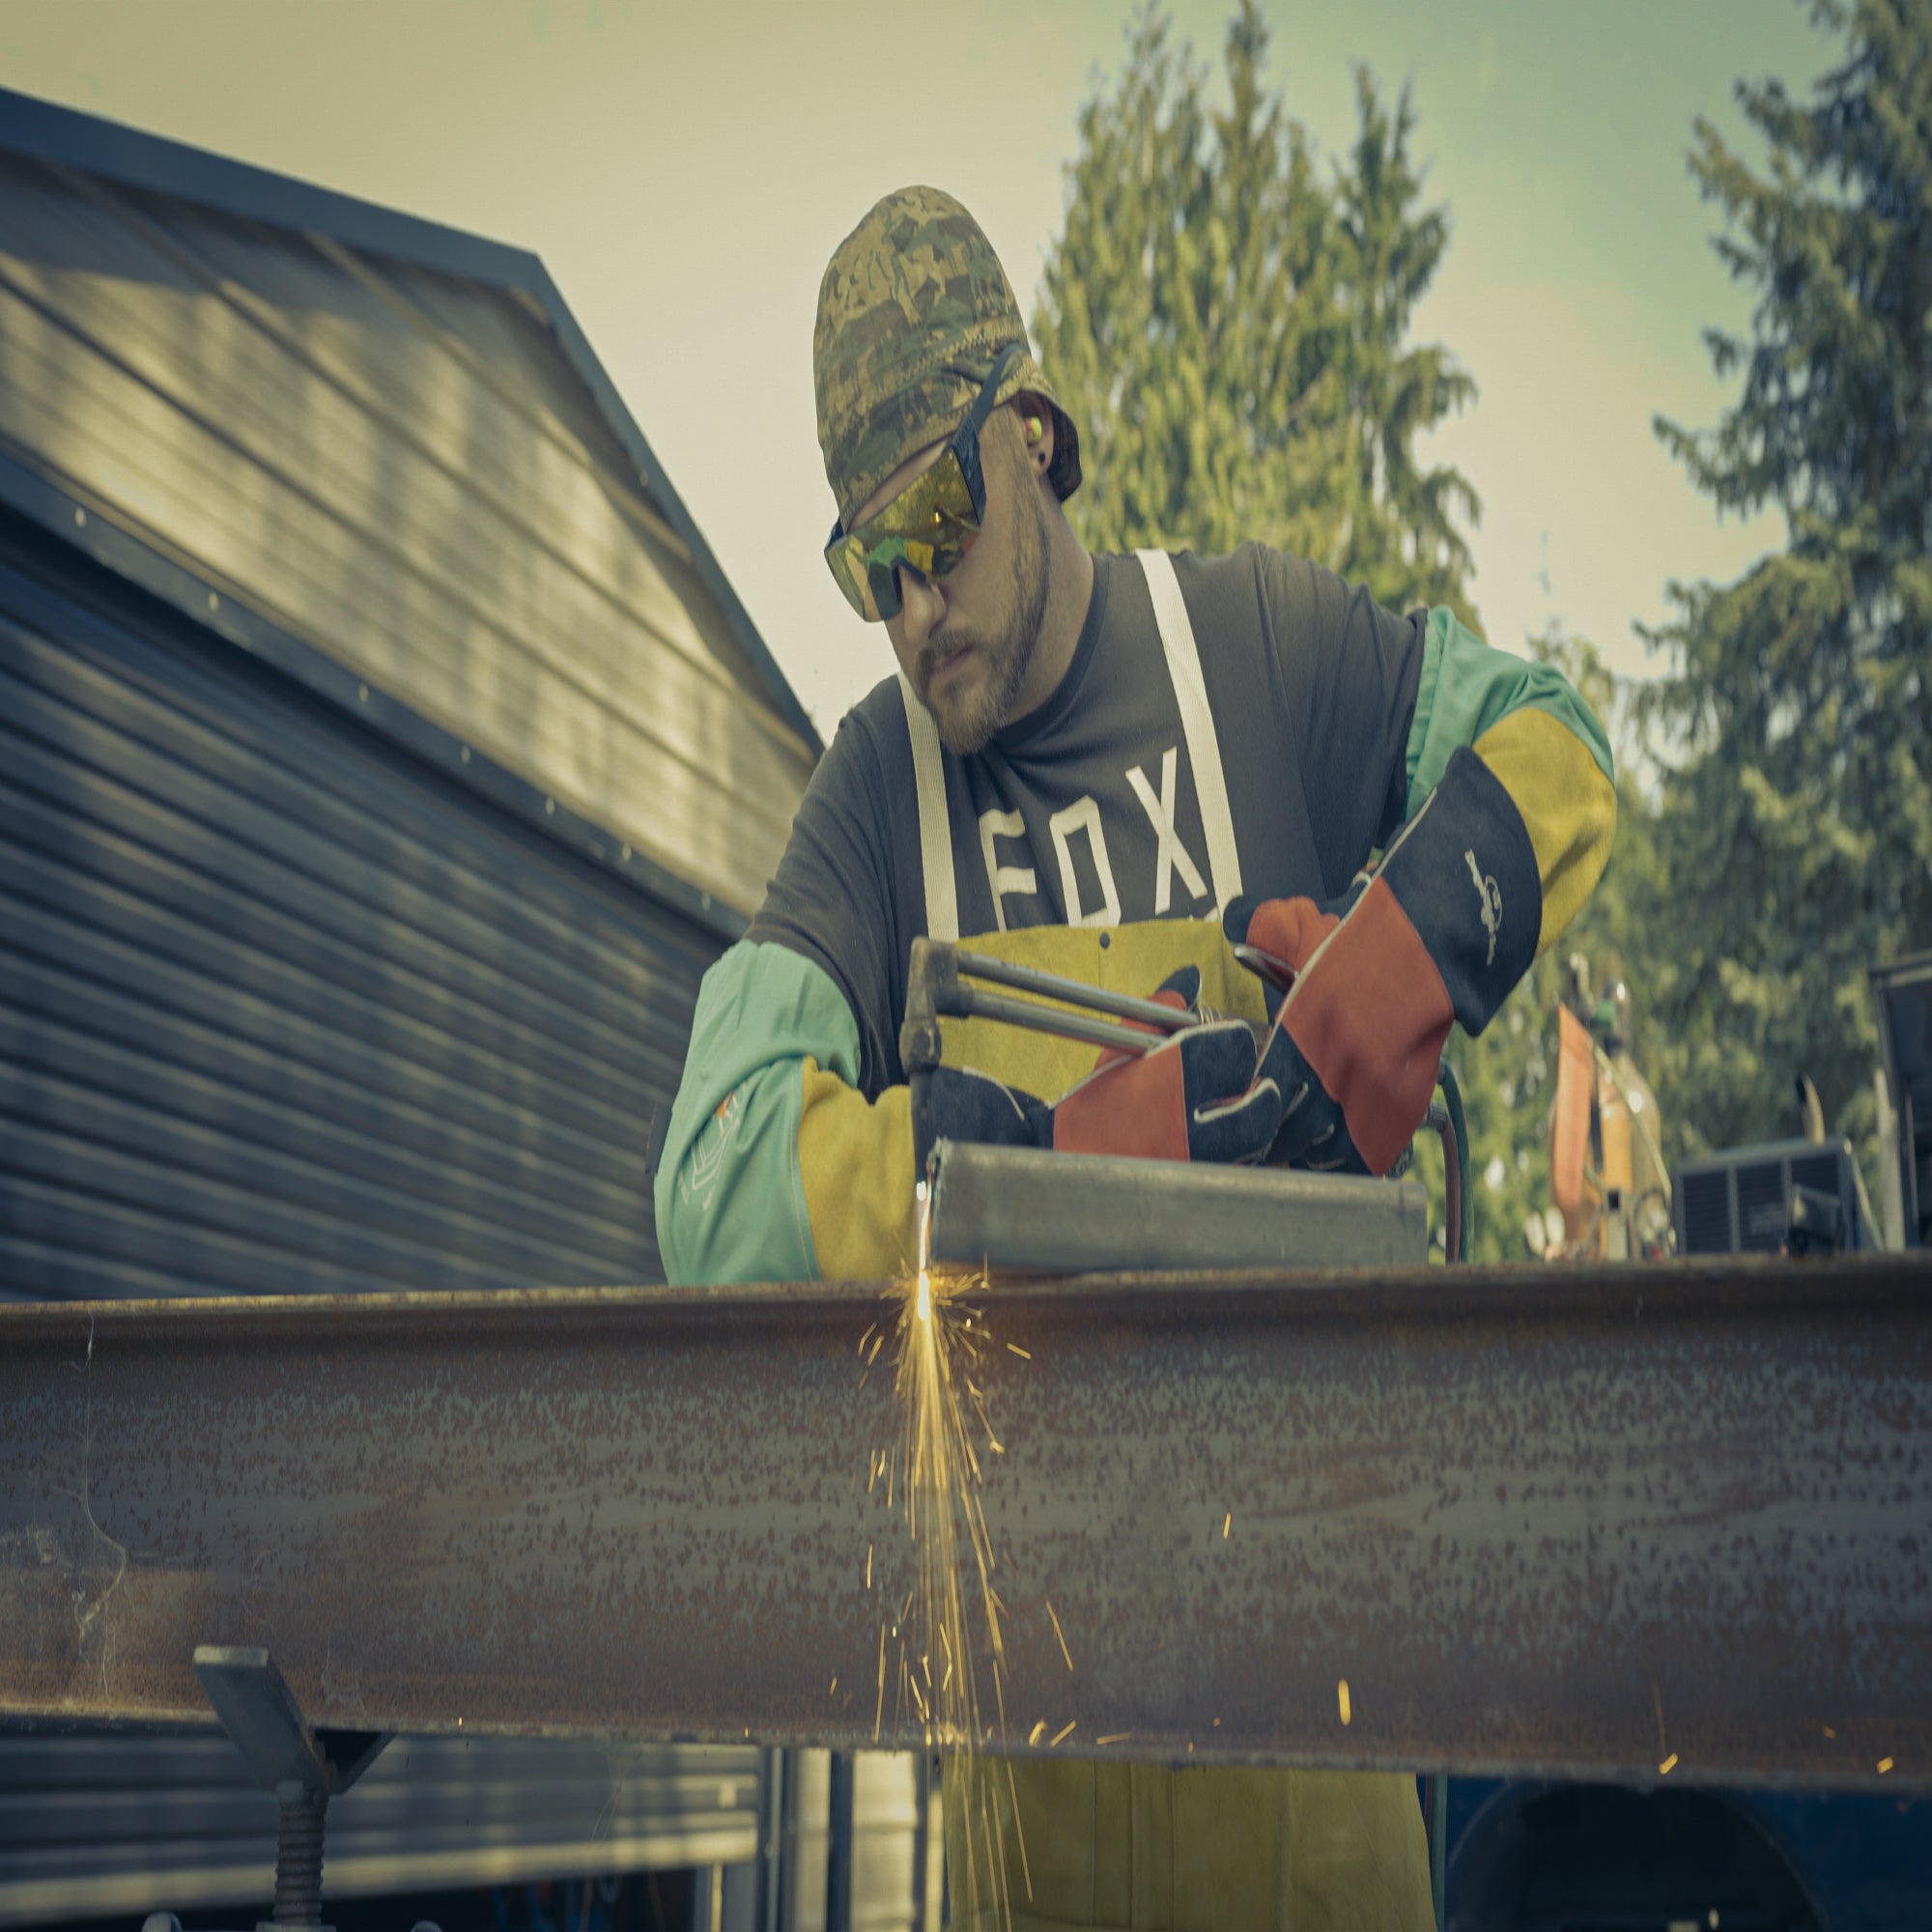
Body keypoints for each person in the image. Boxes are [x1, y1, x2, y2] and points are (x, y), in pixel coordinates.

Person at [655, 185, 1616, 1931]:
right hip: (1030, 1818)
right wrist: (1001, 1172)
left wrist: (1392, 978)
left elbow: (1556, 753)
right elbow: (712, 1181)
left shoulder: (1256, 651)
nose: (916, 602)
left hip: (1322, 1766)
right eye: (870, 566)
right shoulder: (878, 794)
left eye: (939, 521)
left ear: (1031, 434)